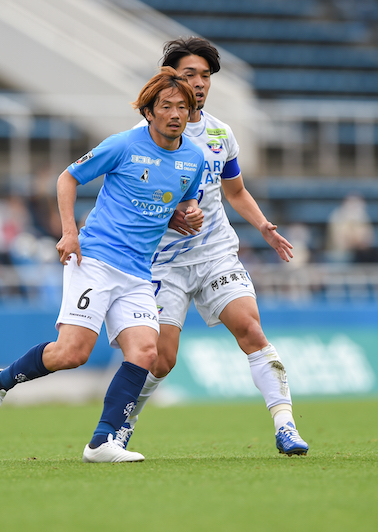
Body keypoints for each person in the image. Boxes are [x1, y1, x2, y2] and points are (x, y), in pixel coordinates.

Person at [0, 67, 205, 463]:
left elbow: (178, 203)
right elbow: (67, 178)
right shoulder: (123, 145)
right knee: (71, 353)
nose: (175, 113)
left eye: (182, 106)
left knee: (146, 352)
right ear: (149, 111)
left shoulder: (193, 158)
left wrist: (189, 214)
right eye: (166, 106)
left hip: (137, 273)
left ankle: (101, 442)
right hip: (94, 259)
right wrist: (69, 233)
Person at [116, 37, 309, 456]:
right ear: (169, 79)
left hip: (215, 253)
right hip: (162, 263)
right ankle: (123, 423)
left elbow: (235, 191)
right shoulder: (139, 138)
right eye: (189, 75)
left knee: (252, 330)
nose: (199, 83)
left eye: (205, 76)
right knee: (160, 360)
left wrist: (263, 227)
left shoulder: (220, 133)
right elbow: (130, 198)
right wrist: (172, 217)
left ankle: (286, 427)